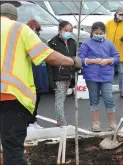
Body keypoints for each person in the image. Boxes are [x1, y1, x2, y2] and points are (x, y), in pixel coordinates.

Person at [0, 3, 82, 165]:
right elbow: (47, 55)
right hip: (10, 95)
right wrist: (72, 61)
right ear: (15, 17)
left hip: (9, 95)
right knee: (12, 148)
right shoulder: (19, 29)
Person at [79, 22, 120, 132]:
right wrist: (93, 61)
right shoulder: (86, 44)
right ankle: (96, 123)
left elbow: (117, 57)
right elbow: (80, 59)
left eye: (101, 33)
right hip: (91, 76)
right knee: (94, 99)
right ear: (91, 32)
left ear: (104, 33)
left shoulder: (109, 44)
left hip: (106, 75)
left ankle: (112, 123)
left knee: (109, 98)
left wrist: (108, 60)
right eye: (96, 33)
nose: (98, 35)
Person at [47, 21, 77, 127]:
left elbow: (75, 59)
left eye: (70, 31)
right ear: (60, 30)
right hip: (58, 75)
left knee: (64, 99)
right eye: (66, 30)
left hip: (69, 75)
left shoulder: (72, 42)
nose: (68, 33)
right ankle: (61, 122)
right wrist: (51, 81)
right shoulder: (53, 43)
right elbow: (49, 63)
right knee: (59, 101)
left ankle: (60, 121)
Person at [106, 7, 123, 98]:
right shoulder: (108, 24)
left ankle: (122, 90)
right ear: (116, 14)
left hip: (121, 54)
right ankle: (107, 90)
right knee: (109, 72)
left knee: (121, 73)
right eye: (121, 14)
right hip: (109, 53)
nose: (122, 16)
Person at [26, 19, 48, 130]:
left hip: (40, 75)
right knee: (30, 101)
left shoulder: (42, 42)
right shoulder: (25, 42)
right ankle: (29, 122)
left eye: (36, 30)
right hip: (30, 76)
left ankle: (33, 121)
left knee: (37, 99)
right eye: (31, 30)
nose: (34, 33)